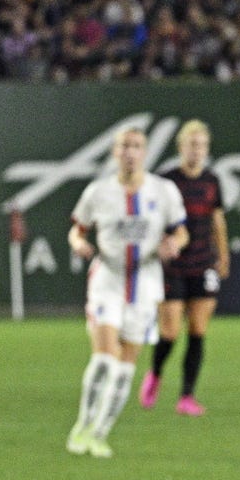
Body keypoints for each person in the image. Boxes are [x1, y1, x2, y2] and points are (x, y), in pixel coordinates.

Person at [66, 127, 188, 458]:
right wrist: (79, 244)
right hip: (108, 279)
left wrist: (174, 243)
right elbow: (77, 230)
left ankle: (100, 434)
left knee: (125, 368)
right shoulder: (98, 192)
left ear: (145, 152)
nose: (130, 152)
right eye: (124, 146)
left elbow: (181, 231)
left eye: (136, 146)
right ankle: (82, 426)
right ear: (114, 153)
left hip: (146, 284)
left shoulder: (163, 191)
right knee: (105, 359)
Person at [139, 119, 229, 416]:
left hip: (204, 262)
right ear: (181, 147)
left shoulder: (212, 181)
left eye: (202, 145)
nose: (197, 150)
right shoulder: (166, 181)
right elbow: (151, 219)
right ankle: (155, 374)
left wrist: (223, 255)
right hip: (173, 264)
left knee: (199, 330)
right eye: (192, 144)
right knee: (170, 331)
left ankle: (187, 396)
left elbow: (217, 219)